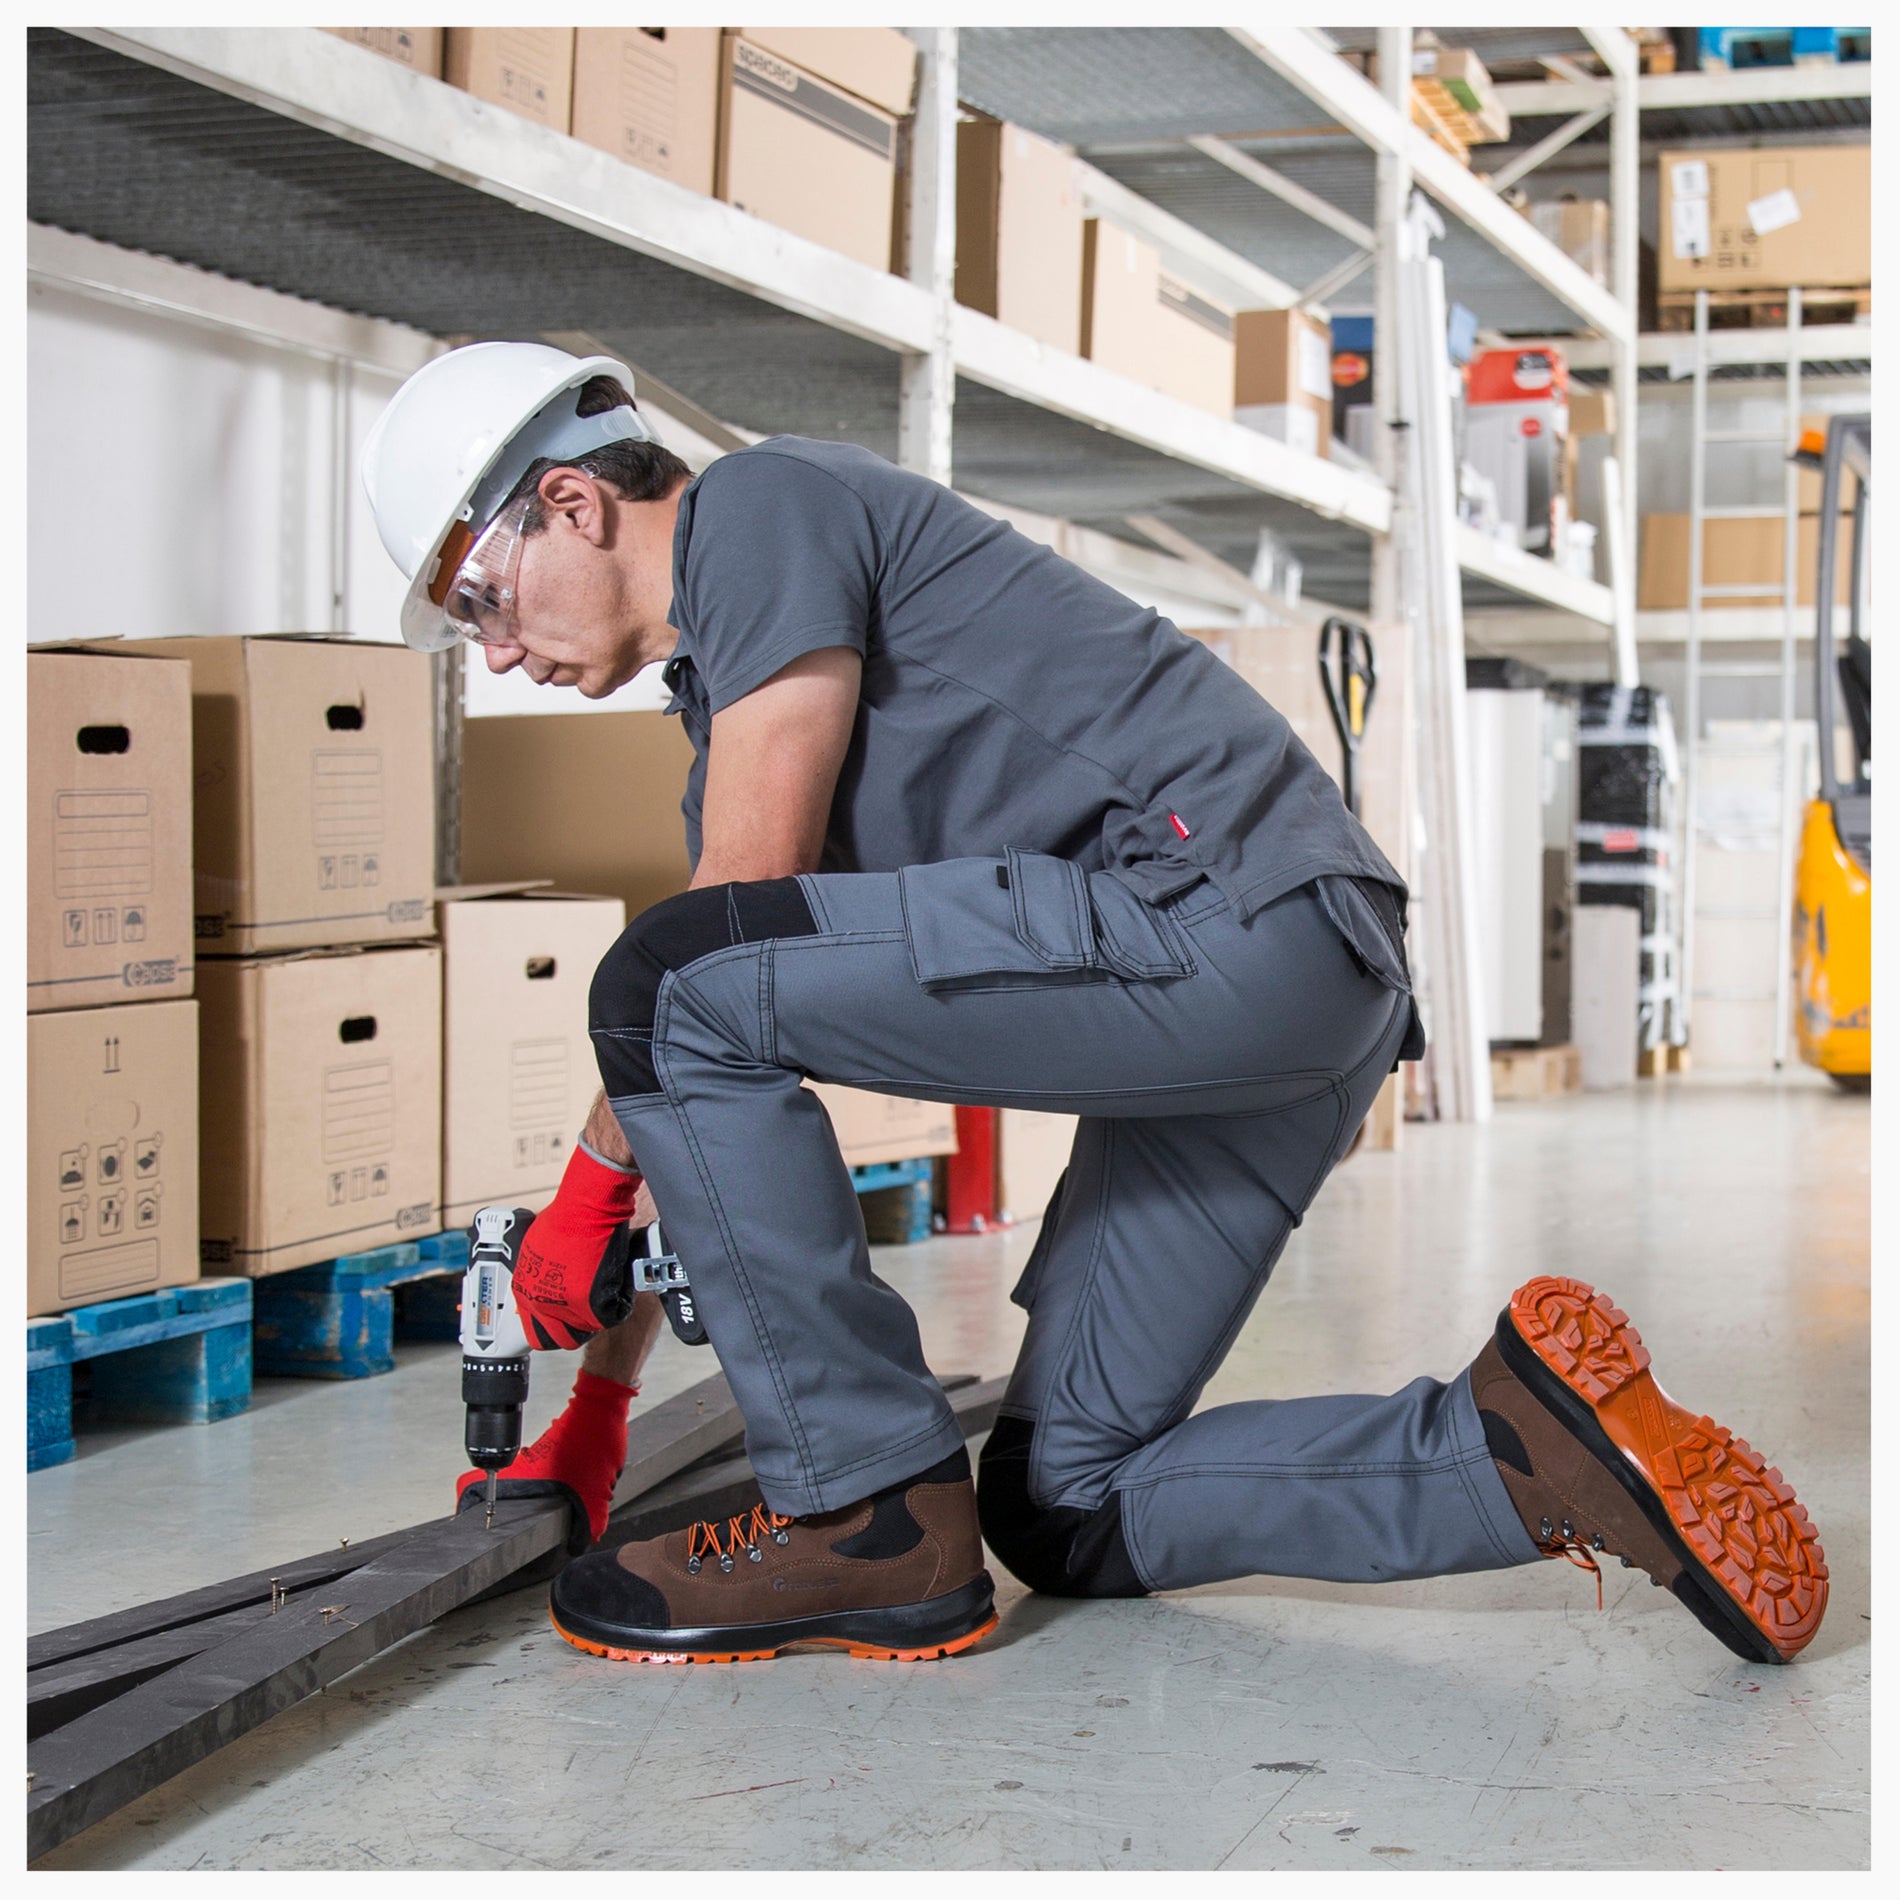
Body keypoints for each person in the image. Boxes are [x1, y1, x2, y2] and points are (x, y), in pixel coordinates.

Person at [362, 343, 1828, 1670]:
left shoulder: (761, 507)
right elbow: (691, 1052)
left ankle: (862, 1515)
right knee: (1065, 1503)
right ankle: (1519, 1454)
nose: (495, 653)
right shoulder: (743, 700)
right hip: (1297, 995)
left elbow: (702, 949)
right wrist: (598, 1411)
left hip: (1217, 926)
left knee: (677, 969)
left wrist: (586, 1185)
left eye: (481, 599)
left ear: (572, 499)